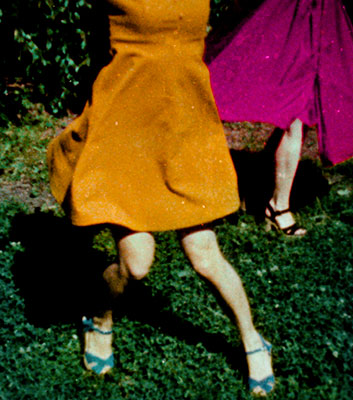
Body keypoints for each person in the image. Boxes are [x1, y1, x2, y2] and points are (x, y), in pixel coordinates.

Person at [47, 0, 274, 396]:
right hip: (128, 131)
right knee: (136, 263)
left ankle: (254, 341)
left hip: (182, 130)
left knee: (204, 254)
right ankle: (100, 320)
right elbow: (100, 48)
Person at [206, 0, 353, 236]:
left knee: (301, 109)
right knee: (294, 110)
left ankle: (271, 196)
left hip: (319, 15)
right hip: (289, 14)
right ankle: (277, 205)